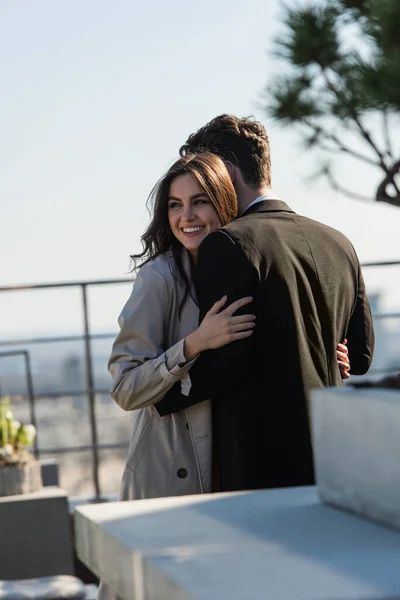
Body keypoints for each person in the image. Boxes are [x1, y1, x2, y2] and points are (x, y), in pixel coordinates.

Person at [155, 114, 374, 493]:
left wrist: (158, 393)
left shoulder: (226, 244)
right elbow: (362, 355)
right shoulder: (339, 242)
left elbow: (229, 363)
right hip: (337, 452)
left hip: (261, 460)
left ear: (229, 173)